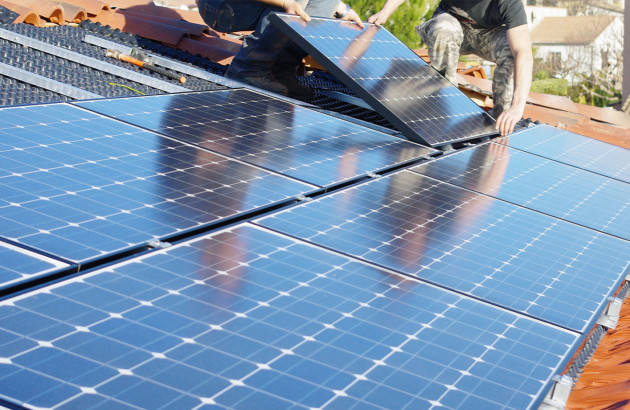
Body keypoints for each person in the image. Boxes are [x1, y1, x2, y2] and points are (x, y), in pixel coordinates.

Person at [369, 0, 533, 136]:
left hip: (488, 35)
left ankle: (501, 120)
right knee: (444, 28)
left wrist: (517, 107)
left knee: (512, 51)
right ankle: (444, 105)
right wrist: (385, 12)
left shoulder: (509, 2)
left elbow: (523, 53)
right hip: (451, 26)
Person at [197, 0, 363, 98]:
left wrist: (341, 9)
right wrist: (285, 3)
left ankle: (279, 70)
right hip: (220, 7)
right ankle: (247, 69)